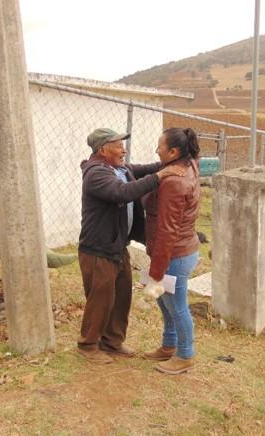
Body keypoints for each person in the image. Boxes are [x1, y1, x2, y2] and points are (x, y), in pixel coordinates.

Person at [77, 128, 184, 364]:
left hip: (117, 246)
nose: (123, 149)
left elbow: (144, 169)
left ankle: (112, 343)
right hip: (98, 250)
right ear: (103, 149)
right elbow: (122, 192)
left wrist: (171, 163)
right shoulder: (96, 174)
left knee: (122, 295)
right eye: (117, 145)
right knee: (101, 298)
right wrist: (160, 176)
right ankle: (88, 345)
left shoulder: (120, 169)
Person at [142, 127, 201, 375]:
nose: (157, 150)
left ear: (174, 151)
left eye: (160, 146)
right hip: (181, 250)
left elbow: (168, 230)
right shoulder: (188, 165)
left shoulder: (174, 183)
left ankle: (185, 354)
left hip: (174, 254)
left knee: (176, 305)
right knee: (165, 304)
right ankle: (169, 345)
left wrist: (157, 270)